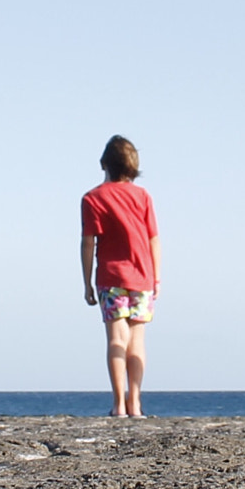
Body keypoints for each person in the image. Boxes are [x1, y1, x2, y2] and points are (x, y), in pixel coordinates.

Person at [80, 135, 159, 418]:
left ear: (105, 164)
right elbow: (153, 239)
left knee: (116, 338)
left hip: (110, 276)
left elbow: (88, 242)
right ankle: (135, 403)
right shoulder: (143, 196)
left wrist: (87, 282)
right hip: (142, 275)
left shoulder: (93, 198)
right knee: (137, 339)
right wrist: (156, 278)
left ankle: (118, 404)